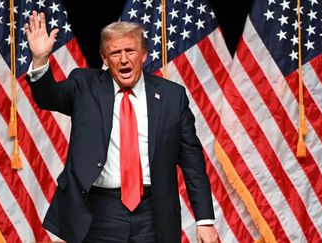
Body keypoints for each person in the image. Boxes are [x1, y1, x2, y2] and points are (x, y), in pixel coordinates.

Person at [25, 10, 218, 243]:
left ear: (144, 55)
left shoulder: (171, 96)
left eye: (130, 51)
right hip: (98, 212)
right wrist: (40, 60)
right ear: (105, 59)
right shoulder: (84, 85)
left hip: (152, 213)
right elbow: (48, 98)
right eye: (115, 53)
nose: (124, 59)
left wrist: (204, 220)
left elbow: (192, 161)